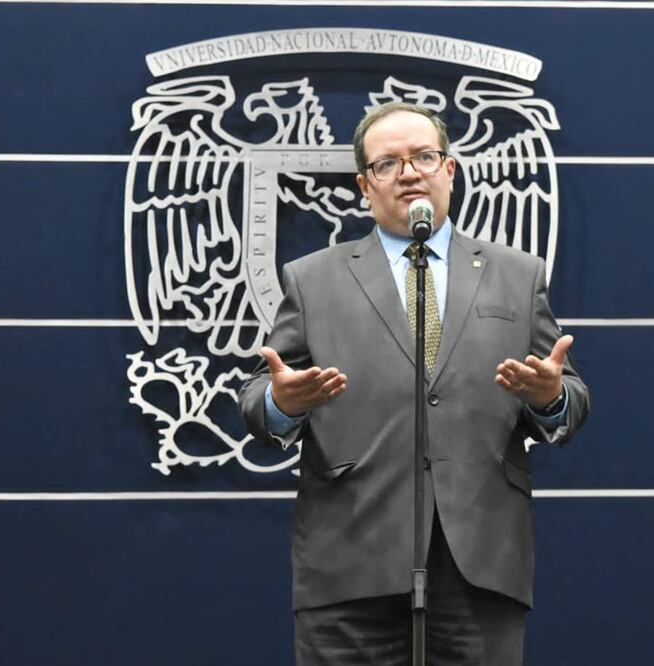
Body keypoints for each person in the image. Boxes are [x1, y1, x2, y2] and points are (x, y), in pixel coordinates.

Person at [238, 102, 590, 665]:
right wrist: (282, 401)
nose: (408, 173)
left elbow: (570, 400)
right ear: (364, 186)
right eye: (387, 164)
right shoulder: (312, 279)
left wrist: (550, 398)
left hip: (479, 562)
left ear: (449, 170)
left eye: (424, 157)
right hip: (350, 559)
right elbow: (258, 399)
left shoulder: (518, 275)